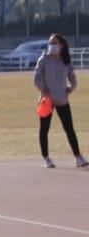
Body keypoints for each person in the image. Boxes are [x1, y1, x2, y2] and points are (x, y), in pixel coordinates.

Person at [34, 33, 86, 168]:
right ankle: (46, 158)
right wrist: (43, 89)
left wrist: (71, 88)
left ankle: (78, 157)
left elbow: (72, 77)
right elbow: (36, 78)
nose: (52, 45)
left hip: (62, 99)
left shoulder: (65, 61)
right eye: (50, 43)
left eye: (54, 43)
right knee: (44, 129)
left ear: (61, 45)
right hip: (47, 100)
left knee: (69, 128)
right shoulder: (44, 59)